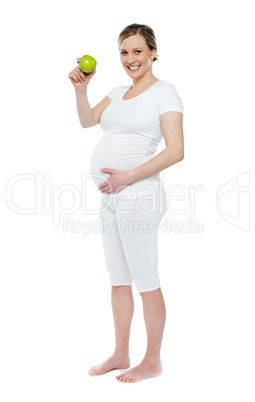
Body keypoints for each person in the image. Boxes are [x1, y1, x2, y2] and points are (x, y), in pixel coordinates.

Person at [68, 23, 184, 383]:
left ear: (152, 52)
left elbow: (177, 151)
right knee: (119, 280)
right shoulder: (118, 92)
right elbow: (88, 121)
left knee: (145, 280)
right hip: (111, 196)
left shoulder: (164, 93)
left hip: (139, 196)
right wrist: (82, 90)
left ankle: (152, 361)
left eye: (137, 51)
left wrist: (126, 177)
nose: (130, 59)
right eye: (123, 52)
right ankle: (120, 352)